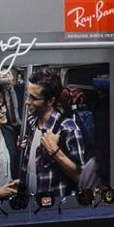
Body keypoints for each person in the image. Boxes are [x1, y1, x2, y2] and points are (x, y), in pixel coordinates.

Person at [21, 68, 88, 198]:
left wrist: (55, 151)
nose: (27, 102)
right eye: (27, 96)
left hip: (52, 205)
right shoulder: (31, 122)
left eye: (34, 98)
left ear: (50, 101)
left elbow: (80, 176)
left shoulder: (68, 128)